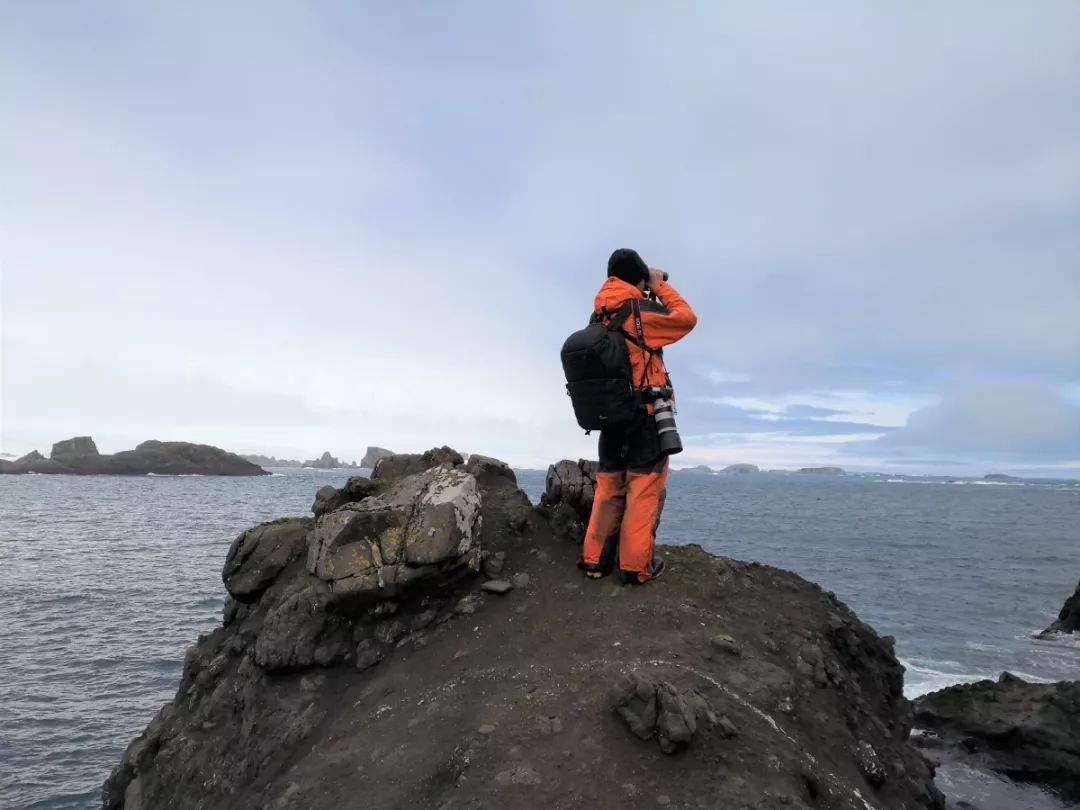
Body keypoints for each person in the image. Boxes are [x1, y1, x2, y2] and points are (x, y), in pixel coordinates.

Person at [579, 248, 697, 584]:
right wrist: (660, 286)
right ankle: (633, 568)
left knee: (609, 489)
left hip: (609, 419)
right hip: (644, 417)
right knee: (642, 490)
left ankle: (594, 561)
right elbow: (686, 318)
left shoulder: (597, 317)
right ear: (638, 278)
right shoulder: (639, 312)